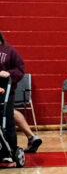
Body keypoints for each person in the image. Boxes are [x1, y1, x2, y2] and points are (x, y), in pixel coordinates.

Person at [0, 30, 31, 161]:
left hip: (5, 91)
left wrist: (8, 73)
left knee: (7, 120)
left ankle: (9, 149)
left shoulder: (9, 50)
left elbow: (20, 68)